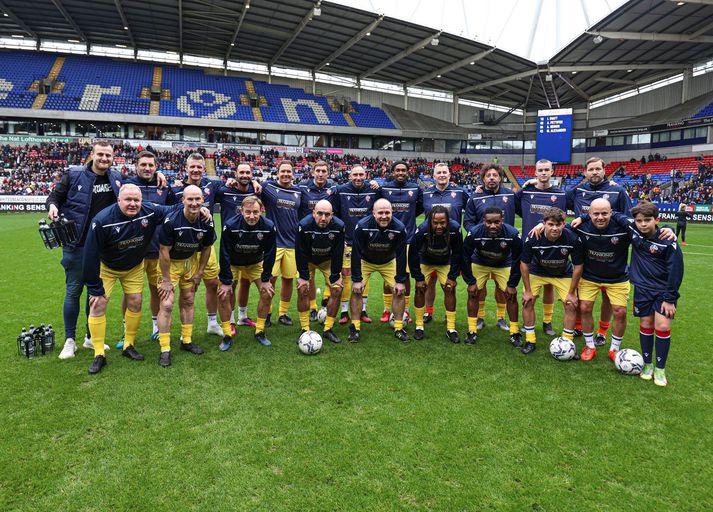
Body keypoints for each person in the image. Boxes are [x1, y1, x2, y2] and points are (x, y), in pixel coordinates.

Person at [47, 140, 165, 359]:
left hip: (105, 245)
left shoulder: (116, 178)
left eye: (108, 156)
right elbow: (54, 196)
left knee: (94, 294)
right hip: (78, 243)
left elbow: (135, 185)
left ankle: (90, 338)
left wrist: (157, 175)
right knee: (74, 290)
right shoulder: (73, 175)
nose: (104, 159)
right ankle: (70, 340)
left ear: (113, 158)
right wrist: (53, 206)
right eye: (100, 155)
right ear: (92, 154)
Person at [82, 184, 194, 374]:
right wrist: (93, 286)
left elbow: (175, 208)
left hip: (133, 267)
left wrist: (200, 209)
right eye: (128, 200)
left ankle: (128, 345)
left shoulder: (149, 211)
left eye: (136, 200)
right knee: (98, 304)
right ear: (119, 200)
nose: (133, 204)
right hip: (108, 268)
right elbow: (89, 255)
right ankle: (99, 353)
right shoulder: (102, 220)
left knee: (136, 302)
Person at [613, 202, 684, 386]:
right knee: (645, 324)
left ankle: (660, 369)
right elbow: (612, 213)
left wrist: (670, 298)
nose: (643, 224)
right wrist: (585, 216)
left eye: (647, 220)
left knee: (661, 327)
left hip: (664, 291)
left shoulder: (668, 240)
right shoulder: (633, 229)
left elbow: (676, 271)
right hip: (642, 289)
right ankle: (647, 365)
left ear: (657, 220)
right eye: (639, 221)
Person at [116, 151, 177, 348]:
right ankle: (126, 332)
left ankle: (156, 329)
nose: (147, 168)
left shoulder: (164, 186)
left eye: (151, 165)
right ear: (136, 166)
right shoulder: (127, 184)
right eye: (143, 164)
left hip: (158, 248)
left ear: (156, 167)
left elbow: (175, 209)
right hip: (134, 249)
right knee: (130, 292)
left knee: (156, 290)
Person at [156, 185, 216, 367]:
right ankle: (165, 348)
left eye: (198, 199)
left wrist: (199, 274)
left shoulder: (207, 221)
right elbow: (163, 251)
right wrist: (166, 280)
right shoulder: (171, 221)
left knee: (188, 300)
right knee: (166, 304)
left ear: (203, 201)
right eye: (190, 199)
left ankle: (187, 341)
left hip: (190, 262)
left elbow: (206, 249)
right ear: (182, 200)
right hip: (170, 265)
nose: (194, 203)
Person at [171, 153, 223, 337]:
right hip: (186, 247)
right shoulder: (176, 190)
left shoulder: (212, 185)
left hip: (207, 244)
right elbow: (169, 212)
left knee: (213, 283)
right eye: (192, 167)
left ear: (204, 168)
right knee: (189, 287)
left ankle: (212, 322)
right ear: (186, 168)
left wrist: (253, 183)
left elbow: (235, 184)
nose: (195, 170)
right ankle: (185, 330)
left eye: (199, 167)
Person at [520, 207, 583, 355]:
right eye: (550, 224)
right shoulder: (533, 237)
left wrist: (572, 293)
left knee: (571, 304)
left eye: (558, 224)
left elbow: (578, 266)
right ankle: (530, 340)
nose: (554, 228)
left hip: (562, 273)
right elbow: (524, 264)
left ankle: (567, 343)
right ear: (544, 223)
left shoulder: (572, 238)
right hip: (538, 271)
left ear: (564, 224)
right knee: (528, 301)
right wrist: (528, 291)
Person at [514, 159, 567, 336]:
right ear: (534, 173)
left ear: (552, 172)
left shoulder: (560, 195)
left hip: (552, 246)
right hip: (530, 246)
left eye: (546, 170)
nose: (543, 173)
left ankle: (547, 321)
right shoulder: (526, 192)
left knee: (549, 286)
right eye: (540, 170)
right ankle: (528, 324)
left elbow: (560, 218)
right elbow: (511, 203)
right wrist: (523, 186)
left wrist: (542, 225)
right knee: (529, 288)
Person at [217, 195, 277, 349]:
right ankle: (227, 335)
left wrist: (266, 279)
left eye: (255, 212)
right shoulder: (230, 225)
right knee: (224, 294)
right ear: (241, 211)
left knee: (267, 292)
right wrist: (225, 281)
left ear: (261, 211)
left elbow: (270, 253)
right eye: (248, 212)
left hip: (255, 263)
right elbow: (224, 253)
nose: (252, 216)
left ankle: (260, 331)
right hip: (233, 263)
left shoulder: (268, 226)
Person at [464, 164, 516, 333]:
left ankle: (501, 318)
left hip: (504, 253)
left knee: (504, 289)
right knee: (479, 288)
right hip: (480, 252)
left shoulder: (510, 195)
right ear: (483, 178)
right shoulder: (475, 198)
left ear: (501, 178)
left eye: (495, 175)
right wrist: (479, 235)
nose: (492, 177)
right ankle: (479, 317)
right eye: (488, 175)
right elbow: (468, 222)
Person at [349, 199, 408, 343]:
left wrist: (400, 281)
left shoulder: (399, 228)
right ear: (373, 213)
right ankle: (355, 328)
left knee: (399, 290)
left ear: (392, 213)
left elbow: (401, 255)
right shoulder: (362, 226)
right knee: (356, 290)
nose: (384, 216)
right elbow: (356, 253)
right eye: (380, 212)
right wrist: (356, 279)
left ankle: (399, 328)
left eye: (387, 212)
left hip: (388, 262)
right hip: (366, 261)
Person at [461, 206, 522, 346]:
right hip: (480, 263)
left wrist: (512, 284)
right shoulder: (475, 232)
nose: (493, 225)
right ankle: (471, 331)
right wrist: (470, 281)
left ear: (502, 220)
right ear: (484, 221)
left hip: (503, 264)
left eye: (497, 222)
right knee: (473, 293)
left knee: (511, 295)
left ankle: (514, 332)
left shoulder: (512, 233)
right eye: (489, 222)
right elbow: (464, 256)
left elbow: (518, 259)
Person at [329, 165, 381, 325]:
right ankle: (344, 311)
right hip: (347, 241)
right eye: (355, 175)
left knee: (363, 276)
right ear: (350, 176)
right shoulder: (340, 190)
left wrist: (377, 184)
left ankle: (362, 309)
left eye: (361, 175)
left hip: (367, 242)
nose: (358, 177)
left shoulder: (373, 190)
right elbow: (334, 214)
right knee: (345, 274)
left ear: (366, 175)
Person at [421, 162, 469, 323]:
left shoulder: (460, 192)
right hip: (430, 244)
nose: (442, 175)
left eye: (445, 172)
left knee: (449, 283)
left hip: (452, 245)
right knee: (430, 282)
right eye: (439, 172)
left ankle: (450, 317)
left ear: (449, 175)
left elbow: (475, 208)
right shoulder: (425, 194)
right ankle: (428, 311)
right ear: (433, 176)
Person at [409, 205, 463, 343]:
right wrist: (418, 277)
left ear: (448, 221)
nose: (439, 226)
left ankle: (451, 328)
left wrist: (452, 276)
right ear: (430, 221)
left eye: (442, 222)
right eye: (435, 223)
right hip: (426, 261)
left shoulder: (455, 229)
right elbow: (413, 254)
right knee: (420, 289)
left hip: (445, 261)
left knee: (450, 289)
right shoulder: (422, 229)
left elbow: (458, 253)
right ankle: (419, 326)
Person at [214, 163, 258, 332]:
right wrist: (224, 183)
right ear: (236, 174)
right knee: (230, 284)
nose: (245, 175)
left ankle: (243, 316)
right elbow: (209, 190)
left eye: (248, 172)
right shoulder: (225, 190)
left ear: (252, 174)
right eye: (242, 172)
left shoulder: (256, 192)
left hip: (251, 246)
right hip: (230, 247)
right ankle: (230, 320)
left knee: (246, 283)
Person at [259, 160, 303, 327]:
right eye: (283, 171)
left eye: (289, 171)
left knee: (288, 279)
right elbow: (251, 186)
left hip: (292, 243)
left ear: (293, 173)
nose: (286, 174)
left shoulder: (298, 191)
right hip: (274, 243)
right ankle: (267, 312)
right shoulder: (268, 188)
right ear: (277, 172)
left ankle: (283, 313)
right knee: (270, 279)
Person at [295, 200, 345, 344]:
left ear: (332, 215)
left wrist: (335, 276)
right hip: (308, 260)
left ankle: (328, 328)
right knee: (302, 288)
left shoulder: (339, 226)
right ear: (313, 213)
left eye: (327, 214)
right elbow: (300, 252)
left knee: (337, 289)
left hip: (327, 261)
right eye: (320, 214)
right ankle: (305, 329)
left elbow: (338, 251)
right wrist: (303, 277)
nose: (323, 218)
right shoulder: (303, 225)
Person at [379, 161, 423, 324]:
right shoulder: (384, 189)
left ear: (408, 172)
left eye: (403, 170)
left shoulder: (415, 188)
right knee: (388, 275)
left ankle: (405, 310)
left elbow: (419, 208)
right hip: (388, 239)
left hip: (408, 239)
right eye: (397, 170)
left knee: (405, 276)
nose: (400, 173)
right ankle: (386, 309)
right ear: (392, 172)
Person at [297, 160, 336, 320]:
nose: (320, 174)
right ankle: (312, 307)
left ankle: (326, 298)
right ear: (313, 172)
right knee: (308, 278)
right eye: (318, 171)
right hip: (307, 241)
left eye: (323, 171)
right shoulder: (301, 188)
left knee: (334, 274)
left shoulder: (334, 190)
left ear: (328, 173)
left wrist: (373, 183)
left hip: (328, 240)